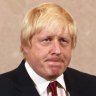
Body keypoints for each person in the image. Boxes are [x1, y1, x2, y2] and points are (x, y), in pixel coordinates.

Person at [0, 2, 96, 96]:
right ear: (25, 45)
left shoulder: (92, 86)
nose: (57, 50)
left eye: (63, 40)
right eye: (47, 40)